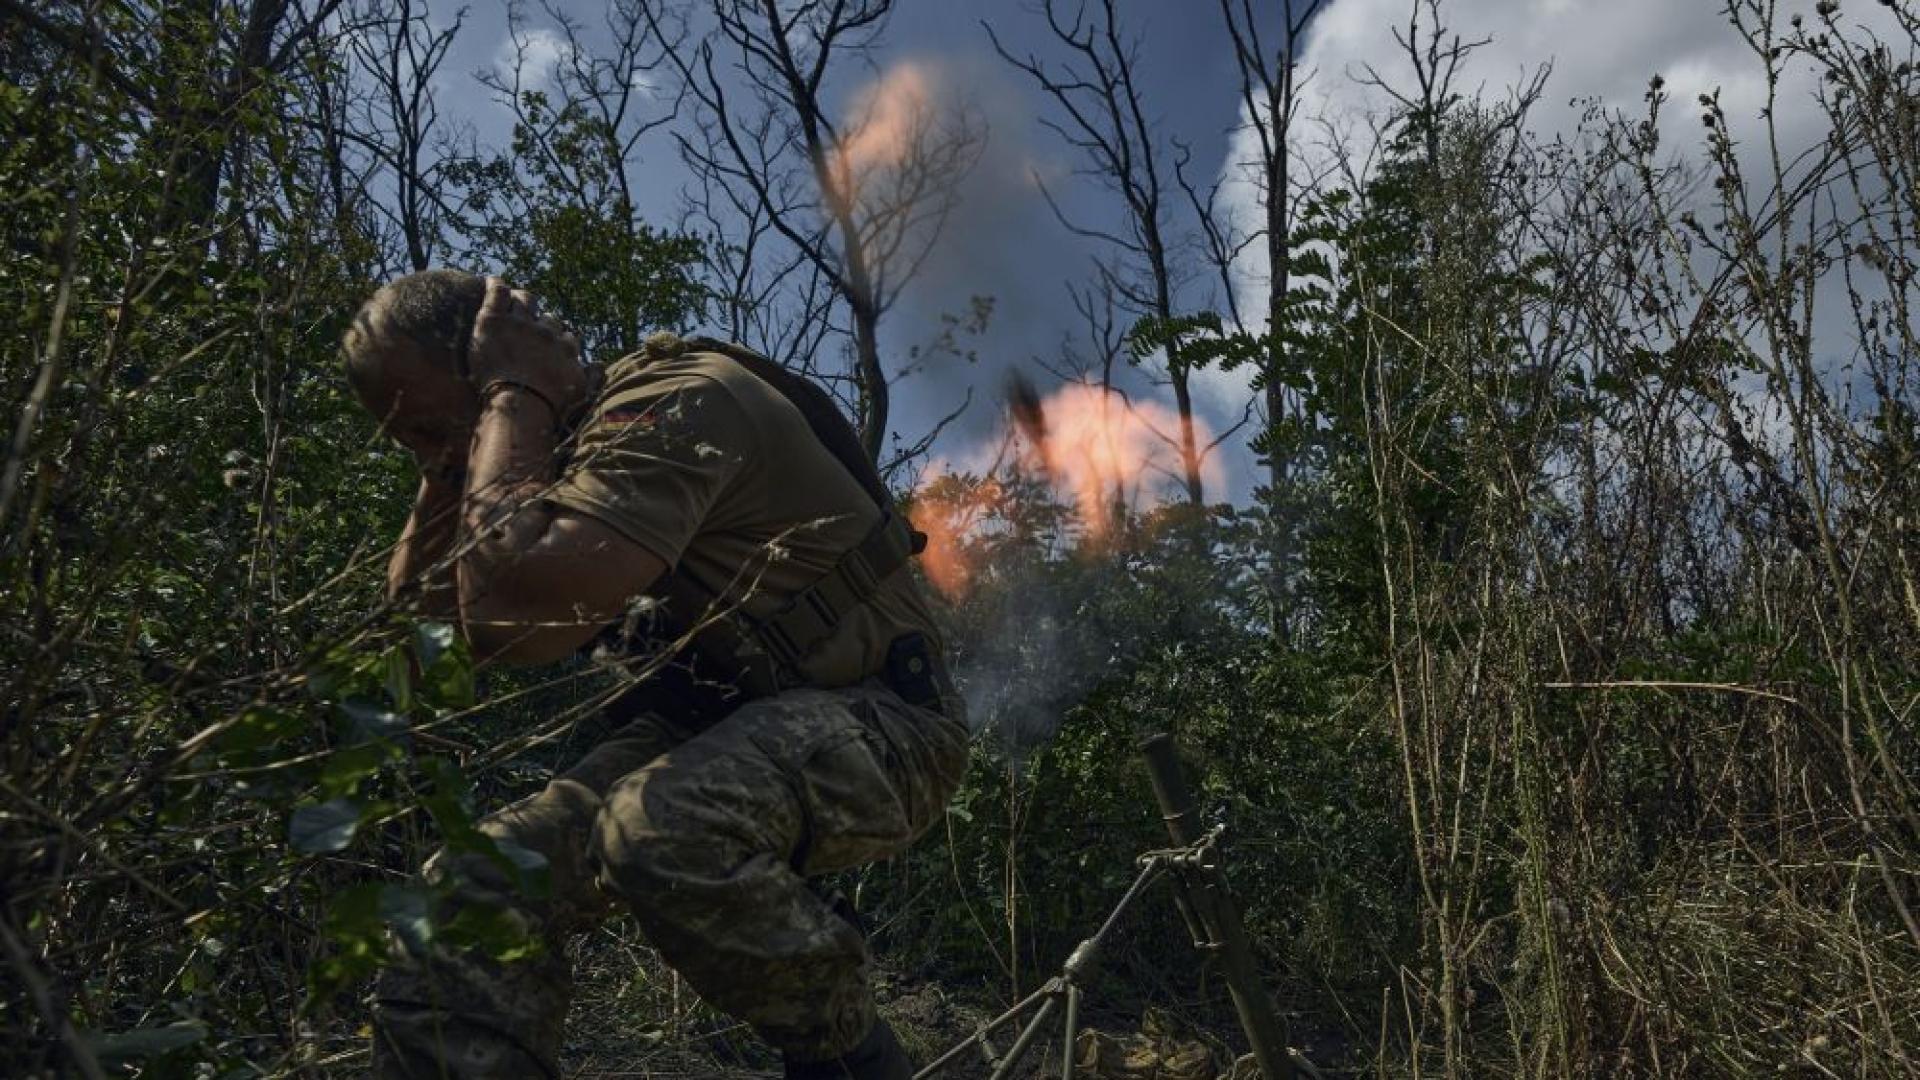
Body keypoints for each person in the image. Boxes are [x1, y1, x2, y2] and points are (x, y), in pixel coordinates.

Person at [340, 268, 969, 1080]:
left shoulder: (679, 402)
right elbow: (420, 651)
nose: (435, 457)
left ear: (494, 367)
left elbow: (520, 612)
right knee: (467, 889)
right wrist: (448, 464)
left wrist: (513, 396)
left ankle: (854, 1057)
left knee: (658, 824)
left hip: (890, 726)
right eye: (407, 442)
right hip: (714, 730)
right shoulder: (534, 447)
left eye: (433, 427)